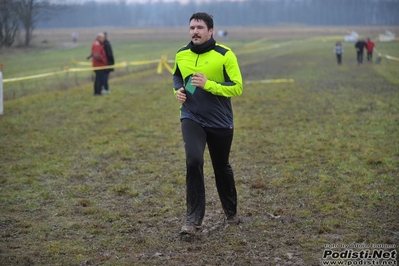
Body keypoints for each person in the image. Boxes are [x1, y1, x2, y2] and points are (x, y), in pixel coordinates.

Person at [172, 12, 243, 236]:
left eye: (200, 28)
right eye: (192, 27)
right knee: (193, 161)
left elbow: (237, 87)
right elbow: (178, 76)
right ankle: (193, 220)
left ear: (210, 31)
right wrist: (179, 91)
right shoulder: (181, 54)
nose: (195, 31)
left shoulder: (225, 54)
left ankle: (230, 212)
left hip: (220, 120)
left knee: (221, 166)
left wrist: (209, 84)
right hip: (191, 115)